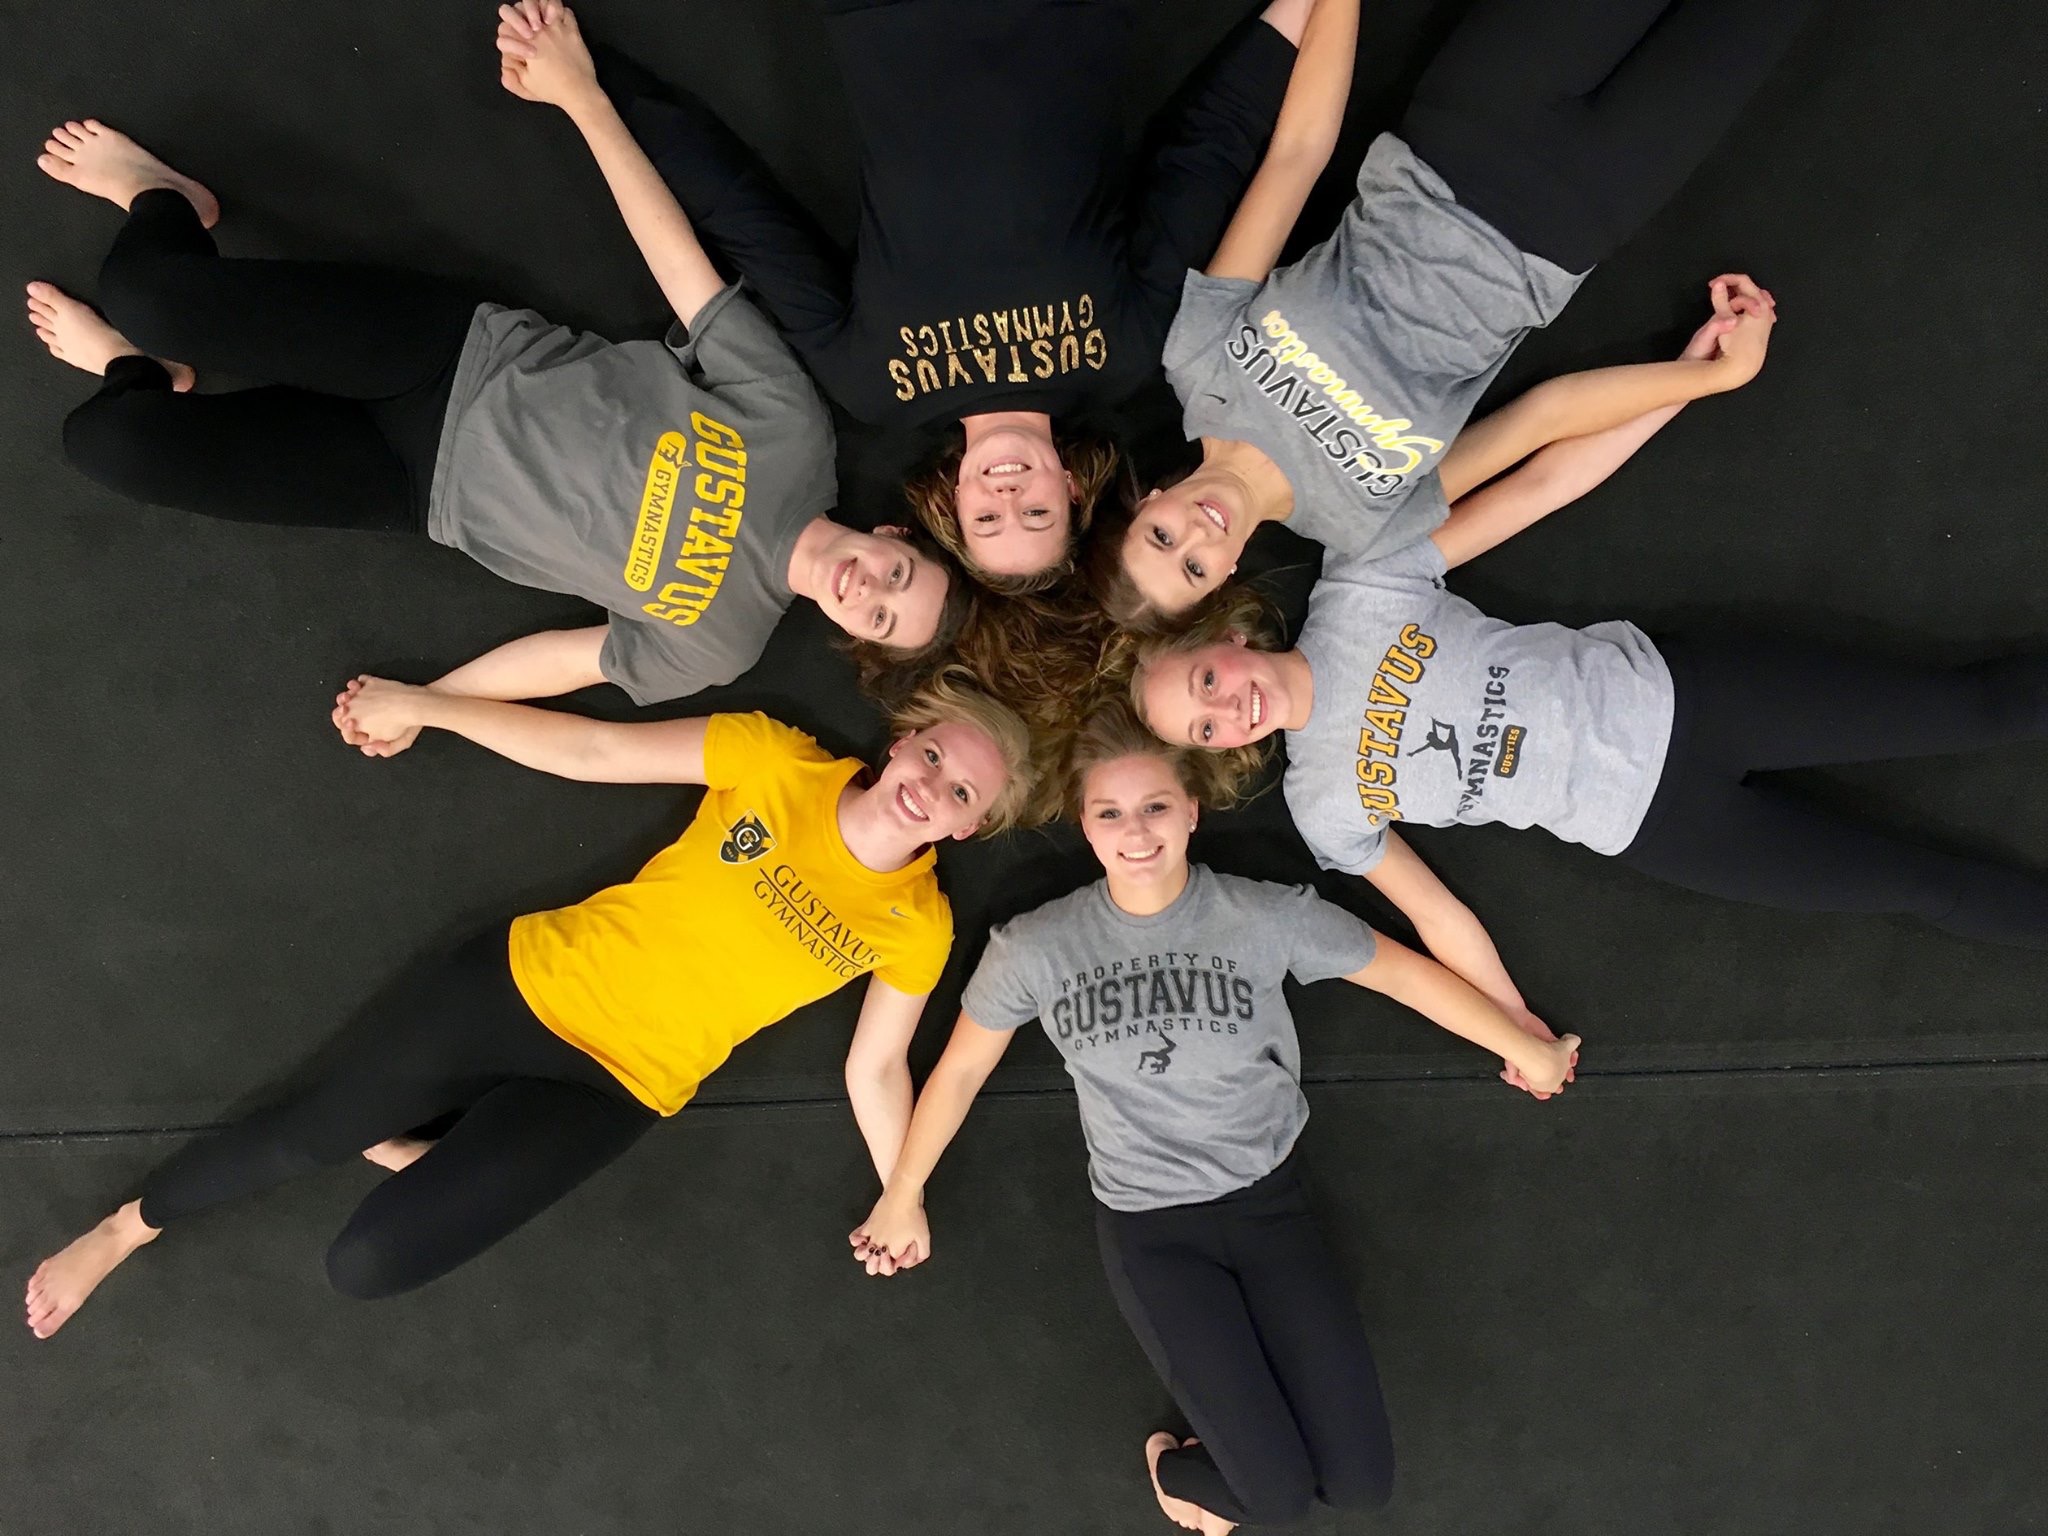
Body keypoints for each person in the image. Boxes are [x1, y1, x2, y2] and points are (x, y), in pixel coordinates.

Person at [22, 669, 1032, 1340]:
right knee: (300, 1137)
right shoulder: (778, 759)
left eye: (960, 795)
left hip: (616, 1090)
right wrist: (429, 705)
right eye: (935, 757)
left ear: (969, 829)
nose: (932, 786)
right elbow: (591, 752)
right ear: (905, 741)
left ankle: (410, 1141)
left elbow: (875, 1066)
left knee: (366, 1264)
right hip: (517, 990)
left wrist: (902, 1194)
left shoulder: (918, 925)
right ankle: (125, 1229)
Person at [25, 8, 966, 717]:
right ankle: (164, 198)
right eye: (899, 575)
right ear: (894, 537)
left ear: (858, 641)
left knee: (109, 443)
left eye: (881, 618)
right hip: (451, 357)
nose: (869, 590)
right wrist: (584, 98)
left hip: (410, 491)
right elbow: (686, 273)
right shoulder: (797, 438)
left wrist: (430, 703)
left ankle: (139, 370)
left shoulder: (722, 645)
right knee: (149, 293)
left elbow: (565, 659)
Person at [1131, 293, 2048, 996]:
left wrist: (1687, 379)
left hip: (1696, 699)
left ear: (1229, 637)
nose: (1226, 710)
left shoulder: (1359, 582)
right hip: (1666, 830)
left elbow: (1543, 484)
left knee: (1973, 705)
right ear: (1221, 752)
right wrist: (1514, 1023)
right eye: (1206, 730)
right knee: (1919, 886)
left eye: (1206, 682)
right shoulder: (1322, 807)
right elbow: (1441, 919)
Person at [848, 702, 1579, 1531]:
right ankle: (1173, 1464)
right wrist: (901, 1194)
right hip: (1155, 1236)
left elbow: (1405, 975)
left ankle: (1223, 1459)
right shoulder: (1036, 948)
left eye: (1155, 806)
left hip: (1271, 1211)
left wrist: (1527, 1048)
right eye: (1110, 813)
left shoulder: (1265, 916)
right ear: (1085, 825)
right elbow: (959, 1072)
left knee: (1362, 1487)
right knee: (1275, 1502)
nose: (1136, 832)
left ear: (1192, 810)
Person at [516, 0, 1337, 590]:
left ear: (955, 500)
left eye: (988, 520)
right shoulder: (1128, 356)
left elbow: (740, 211)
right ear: (1071, 489)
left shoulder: (873, 383)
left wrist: (592, 81)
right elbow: (1203, 153)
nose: (1009, 497)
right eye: (1036, 516)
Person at [1099, 0, 1814, 622]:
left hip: (1471, 122)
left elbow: (1296, 154)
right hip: (1580, 214)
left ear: (1148, 501)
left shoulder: (1196, 362)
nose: (1196, 536)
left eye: (1161, 537)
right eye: (1194, 568)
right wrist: (1712, 378)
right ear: (1225, 577)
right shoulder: (1362, 528)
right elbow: (1541, 419)